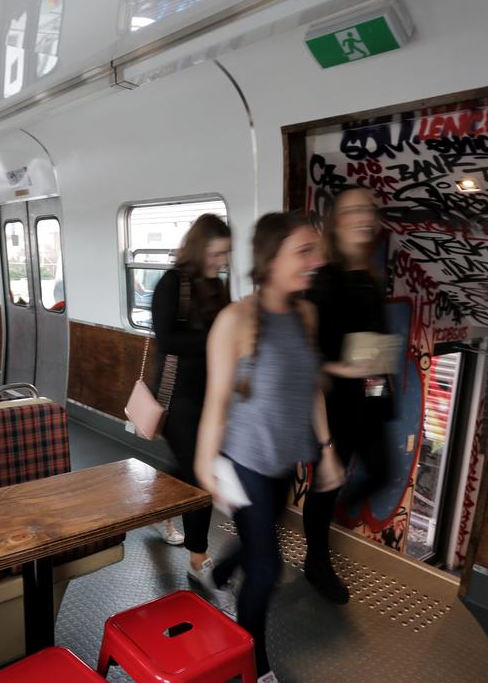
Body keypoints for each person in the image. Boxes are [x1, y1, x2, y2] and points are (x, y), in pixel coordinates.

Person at [195, 211, 338, 680]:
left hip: (282, 464)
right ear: (271, 258)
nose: (316, 260)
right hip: (242, 462)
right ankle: (252, 667)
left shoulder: (307, 314)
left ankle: (219, 572)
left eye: (315, 250)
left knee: (260, 540)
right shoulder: (234, 321)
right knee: (267, 569)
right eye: (304, 251)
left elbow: (310, 386)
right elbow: (216, 401)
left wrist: (327, 447)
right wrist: (204, 463)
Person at [303, 186, 393, 605]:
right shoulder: (326, 278)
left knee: (379, 470)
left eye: (368, 210)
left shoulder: (371, 274)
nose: (364, 216)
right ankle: (316, 560)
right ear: (336, 222)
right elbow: (310, 356)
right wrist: (347, 368)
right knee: (325, 487)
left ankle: (326, 525)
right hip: (334, 404)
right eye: (353, 210)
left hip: (371, 398)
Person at [150, 214, 232, 585]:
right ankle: (197, 557)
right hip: (178, 395)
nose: (223, 262)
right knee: (200, 473)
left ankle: (160, 504)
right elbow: (167, 340)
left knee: (188, 466)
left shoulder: (219, 287)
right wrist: (215, 341)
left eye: (227, 254)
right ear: (200, 249)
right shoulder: (172, 284)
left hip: (211, 393)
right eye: (217, 253)